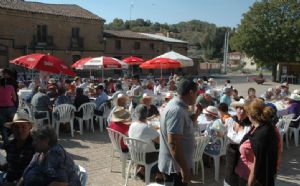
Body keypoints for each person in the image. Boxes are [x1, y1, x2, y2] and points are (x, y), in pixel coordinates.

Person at [159, 78, 202, 185]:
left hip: (176, 166)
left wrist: (196, 115)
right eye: (196, 94)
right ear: (191, 93)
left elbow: (183, 128)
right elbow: (173, 143)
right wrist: (184, 169)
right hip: (175, 168)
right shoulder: (177, 111)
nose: (197, 97)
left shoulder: (178, 107)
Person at [235, 99, 278, 186]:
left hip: (252, 179)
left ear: (250, 114)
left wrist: (250, 183)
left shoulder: (261, 134)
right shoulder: (262, 126)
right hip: (244, 172)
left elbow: (257, 162)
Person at [128, 104, 162, 182]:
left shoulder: (132, 125)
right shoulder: (147, 127)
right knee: (164, 149)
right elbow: (160, 141)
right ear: (146, 114)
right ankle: (159, 174)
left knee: (148, 147)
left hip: (135, 155)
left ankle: (142, 170)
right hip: (146, 157)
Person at [0, 111, 35, 185]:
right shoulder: (10, 145)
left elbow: (36, 172)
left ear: (29, 127)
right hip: (8, 180)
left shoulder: (36, 146)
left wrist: (15, 183)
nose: (19, 130)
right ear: (12, 129)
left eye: (23, 127)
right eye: (16, 127)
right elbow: (11, 165)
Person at [224, 99, 251, 186]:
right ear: (236, 109)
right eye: (240, 108)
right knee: (228, 180)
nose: (242, 111)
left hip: (242, 158)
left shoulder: (250, 126)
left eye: (245, 109)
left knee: (239, 181)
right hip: (230, 155)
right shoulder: (230, 121)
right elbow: (223, 132)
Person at [0, 77, 17, 146]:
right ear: (6, 81)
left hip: (1, 109)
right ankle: (16, 140)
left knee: (3, 127)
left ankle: (6, 143)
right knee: (14, 124)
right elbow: (15, 98)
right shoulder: (11, 87)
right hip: (11, 108)